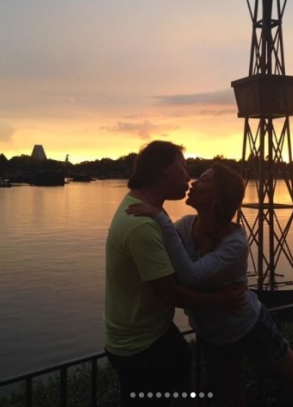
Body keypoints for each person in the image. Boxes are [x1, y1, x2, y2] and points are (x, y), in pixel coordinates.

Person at [126, 162, 293, 406]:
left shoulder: (235, 244)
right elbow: (170, 267)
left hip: (249, 327)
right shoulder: (184, 227)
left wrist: (160, 217)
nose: (193, 183)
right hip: (212, 336)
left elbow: (190, 276)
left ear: (217, 199)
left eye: (203, 180)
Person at [104, 141, 246, 407]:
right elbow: (170, 293)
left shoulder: (147, 209)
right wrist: (219, 300)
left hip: (152, 333)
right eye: (184, 166)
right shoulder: (141, 224)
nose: (189, 176)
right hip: (141, 346)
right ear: (165, 169)